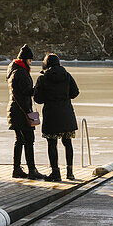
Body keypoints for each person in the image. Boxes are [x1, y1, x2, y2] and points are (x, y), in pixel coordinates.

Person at [33, 53, 81, 182]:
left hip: (51, 115)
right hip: (66, 114)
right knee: (67, 142)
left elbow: (38, 99)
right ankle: (70, 172)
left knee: (52, 144)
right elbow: (75, 92)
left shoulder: (42, 79)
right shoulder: (67, 75)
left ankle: (55, 173)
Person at [7, 45, 45, 180]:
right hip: (22, 112)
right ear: (25, 59)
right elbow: (27, 91)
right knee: (29, 140)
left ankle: (16, 169)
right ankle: (32, 170)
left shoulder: (13, 70)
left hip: (15, 111)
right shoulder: (21, 72)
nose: (31, 63)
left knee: (19, 140)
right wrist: (39, 87)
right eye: (30, 60)